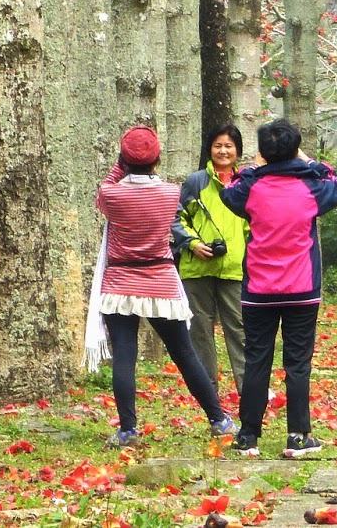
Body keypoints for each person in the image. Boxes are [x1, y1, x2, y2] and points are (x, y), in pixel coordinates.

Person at [85, 125, 237, 448]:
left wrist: (122, 162)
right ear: (157, 161)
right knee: (184, 351)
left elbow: (106, 188)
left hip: (120, 283)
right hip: (161, 282)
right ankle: (218, 418)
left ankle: (128, 429)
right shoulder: (170, 193)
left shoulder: (112, 195)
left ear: (124, 161)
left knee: (125, 355)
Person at [218, 119, 337, 458]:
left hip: (259, 290)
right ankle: (299, 436)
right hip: (302, 289)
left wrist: (254, 167)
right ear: (295, 148)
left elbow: (228, 190)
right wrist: (309, 161)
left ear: (263, 152)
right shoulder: (313, 189)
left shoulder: (251, 188)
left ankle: (248, 436)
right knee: (298, 362)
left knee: (257, 359)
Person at [171, 124, 250, 395]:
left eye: (229, 145)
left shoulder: (246, 183)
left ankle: (248, 389)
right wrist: (192, 243)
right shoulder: (196, 182)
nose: (223, 151)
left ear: (238, 150)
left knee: (239, 331)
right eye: (218, 145)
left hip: (235, 269)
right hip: (197, 268)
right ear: (209, 149)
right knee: (200, 332)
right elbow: (176, 217)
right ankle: (207, 393)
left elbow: (255, 223)